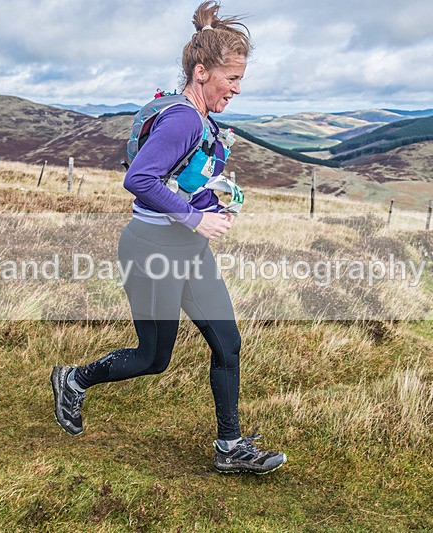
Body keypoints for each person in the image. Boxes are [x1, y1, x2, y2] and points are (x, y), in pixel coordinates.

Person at [51, 0, 286, 475]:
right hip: (152, 249)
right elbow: (138, 179)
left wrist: (209, 203)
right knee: (153, 357)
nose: (237, 89)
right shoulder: (182, 118)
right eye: (232, 79)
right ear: (202, 72)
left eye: (241, 79)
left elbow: (176, 178)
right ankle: (73, 380)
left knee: (227, 344)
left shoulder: (197, 117)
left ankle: (230, 446)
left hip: (187, 249)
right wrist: (196, 219)